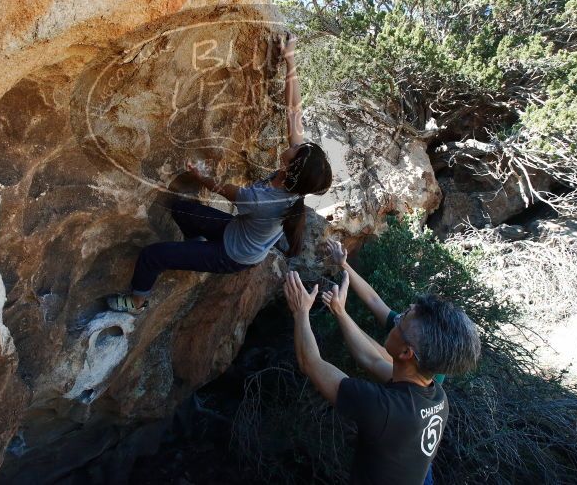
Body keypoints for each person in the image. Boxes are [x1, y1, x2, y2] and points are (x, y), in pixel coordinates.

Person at [108, 35, 332, 314]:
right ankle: (195, 247)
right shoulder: (292, 181)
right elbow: (293, 112)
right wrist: (290, 60)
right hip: (237, 232)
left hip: (232, 255)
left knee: (152, 256)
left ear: (292, 168)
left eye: (298, 149)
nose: (296, 144)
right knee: (181, 208)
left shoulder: (262, 200)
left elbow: (219, 188)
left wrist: (200, 175)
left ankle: (137, 302)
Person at [282, 259, 481, 485]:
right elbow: (372, 359)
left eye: (401, 322)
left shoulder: (384, 408)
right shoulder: (436, 396)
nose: (394, 322)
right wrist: (339, 311)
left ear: (406, 352)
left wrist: (300, 312)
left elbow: (310, 362)